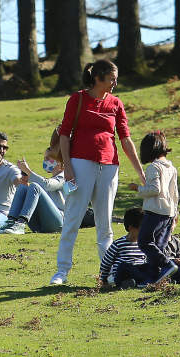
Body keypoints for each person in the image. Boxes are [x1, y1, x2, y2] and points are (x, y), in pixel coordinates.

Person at [51, 59, 145, 286]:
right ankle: (62, 271)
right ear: (98, 78)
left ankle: (108, 273)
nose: (115, 83)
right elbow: (64, 134)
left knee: (105, 224)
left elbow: (125, 139)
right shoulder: (78, 99)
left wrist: (141, 172)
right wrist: (68, 168)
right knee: (72, 218)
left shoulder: (116, 103)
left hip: (109, 166)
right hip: (80, 163)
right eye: (112, 78)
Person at [130, 131, 180, 286]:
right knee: (158, 246)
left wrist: (137, 188)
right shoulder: (171, 168)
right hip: (168, 212)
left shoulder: (154, 167)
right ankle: (154, 277)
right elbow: (175, 193)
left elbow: (154, 189)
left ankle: (167, 265)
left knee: (144, 242)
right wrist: (174, 213)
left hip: (155, 212)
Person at [0, 135, 67, 235]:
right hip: (39, 225)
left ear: (59, 162)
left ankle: (20, 224)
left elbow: (48, 185)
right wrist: (26, 178)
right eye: (45, 158)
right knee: (24, 187)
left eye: (48, 158)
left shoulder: (64, 176)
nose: (45, 160)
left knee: (35, 186)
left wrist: (28, 171)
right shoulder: (51, 178)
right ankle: (11, 222)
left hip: (57, 224)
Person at [100, 207, 153, 289]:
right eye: (142, 229)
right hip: (123, 274)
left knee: (150, 265)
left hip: (139, 272)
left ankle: (136, 282)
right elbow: (106, 264)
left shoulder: (144, 244)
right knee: (125, 266)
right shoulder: (118, 244)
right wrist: (103, 281)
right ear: (131, 228)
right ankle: (132, 282)